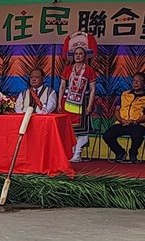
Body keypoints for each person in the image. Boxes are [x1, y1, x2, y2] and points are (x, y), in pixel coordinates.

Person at [59, 32, 98, 162]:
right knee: (69, 129)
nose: (78, 56)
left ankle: (78, 153)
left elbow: (92, 89)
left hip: (83, 102)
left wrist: (90, 105)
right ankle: (70, 152)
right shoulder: (68, 69)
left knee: (82, 129)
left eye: (81, 53)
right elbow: (62, 87)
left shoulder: (89, 70)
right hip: (67, 102)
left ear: (85, 56)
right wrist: (59, 103)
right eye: (76, 54)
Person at [103, 72, 145, 164]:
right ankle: (120, 152)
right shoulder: (124, 94)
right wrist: (121, 120)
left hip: (137, 124)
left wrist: (134, 121)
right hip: (122, 122)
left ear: (144, 83)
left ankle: (133, 153)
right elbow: (117, 110)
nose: (135, 83)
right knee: (107, 135)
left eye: (138, 81)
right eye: (134, 81)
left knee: (138, 135)